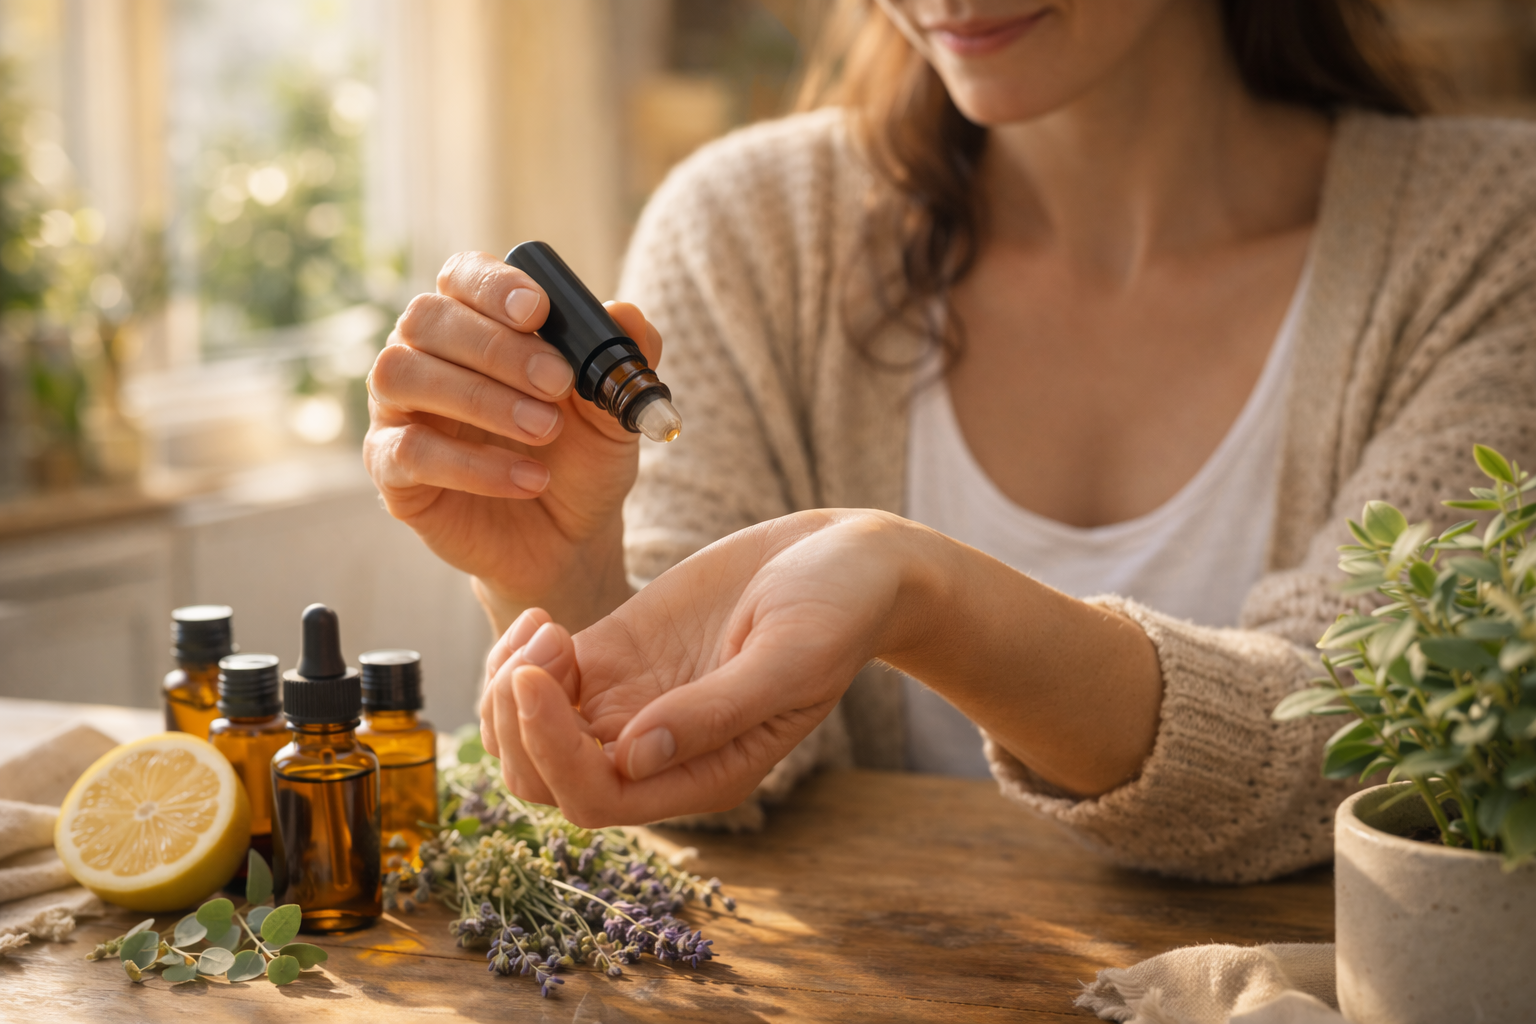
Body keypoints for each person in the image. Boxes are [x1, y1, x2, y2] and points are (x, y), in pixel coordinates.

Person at [364, 0, 1536, 883]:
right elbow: (721, 765)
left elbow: (1373, 739)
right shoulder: (751, 232)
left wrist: (922, 593)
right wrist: (566, 576)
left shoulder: (1494, 236)